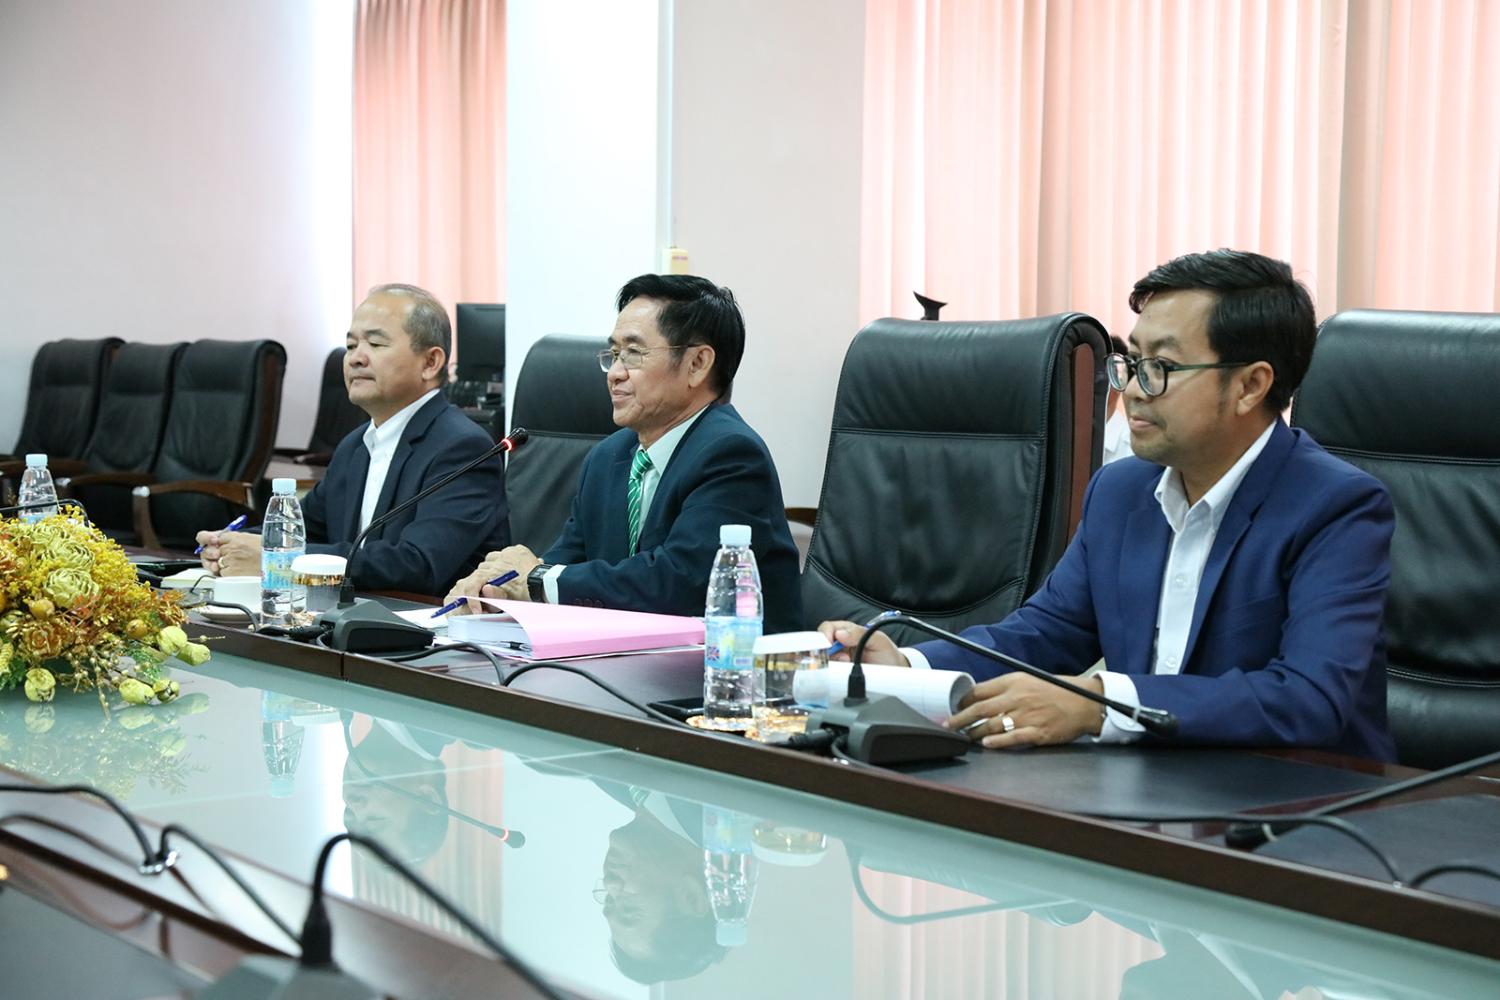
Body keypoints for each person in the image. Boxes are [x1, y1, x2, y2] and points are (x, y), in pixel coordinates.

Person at [821, 249, 1396, 760]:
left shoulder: (1336, 507)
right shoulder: (1120, 492)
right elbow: (1044, 634)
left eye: (1162, 368)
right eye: (1133, 361)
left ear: (1250, 385)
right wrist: (910, 666)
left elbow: (1308, 697)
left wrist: (1101, 703)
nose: (1135, 389)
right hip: (1152, 789)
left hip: (1300, 805)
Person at [446, 274, 802, 631]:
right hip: (625, 655)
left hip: (732, 660)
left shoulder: (732, 455)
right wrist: (499, 585)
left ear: (697, 364)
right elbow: (564, 562)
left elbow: (679, 582)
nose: (614, 374)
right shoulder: (607, 457)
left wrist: (537, 579)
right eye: (614, 354)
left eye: (633, 353)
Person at [197, 284, 509, 596]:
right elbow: (305, 529)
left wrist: (283, 561)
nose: (355, 358)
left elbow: (417, 564)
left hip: (424, 620)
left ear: (430, 363)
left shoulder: (463, 448)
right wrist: (231, 544)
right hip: (349, 614)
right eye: (350, 345)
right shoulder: (355, 445)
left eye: (375, 343)